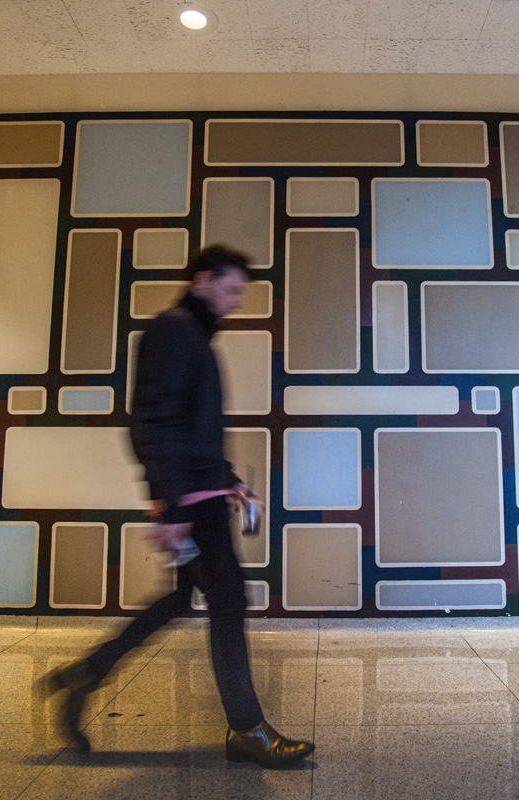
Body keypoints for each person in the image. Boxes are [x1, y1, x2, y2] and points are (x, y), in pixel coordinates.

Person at [43, 245, 314, 768]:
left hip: (202, 495)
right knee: (229, 604)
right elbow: (152, 423)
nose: (236, 302)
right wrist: (171, 507)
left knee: (180, 600)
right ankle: (248, 731)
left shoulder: (191, 337)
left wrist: (232, 481)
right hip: (192, 504)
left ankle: (85, 674)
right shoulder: (172, 330)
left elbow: (195, 431)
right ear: (203, 280)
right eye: (232, 289)